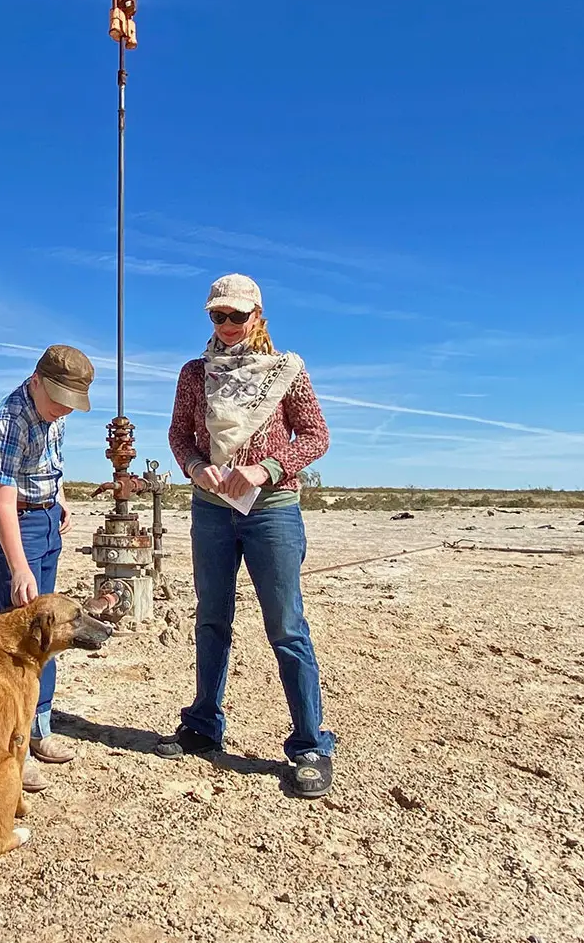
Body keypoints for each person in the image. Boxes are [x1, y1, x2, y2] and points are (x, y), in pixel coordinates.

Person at [154, 274, 336, 797]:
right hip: (211, 510)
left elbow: (316, 435)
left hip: (271, 509)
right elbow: (178, 434)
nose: (228, 325)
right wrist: (193, 466)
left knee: (286, 626)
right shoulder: (195, 373)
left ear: (257, 315)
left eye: (237, 315)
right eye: (218, 316)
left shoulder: (287, 371)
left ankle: (310, 746)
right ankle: (203, 726)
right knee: (211, 619)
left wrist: (267, 469)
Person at [0, 343, 95, 794]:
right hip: (19, 526)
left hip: (46, 517)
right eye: (58, 400)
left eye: (70, 403)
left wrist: (60, 500)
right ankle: (12, 747)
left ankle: (39, 728)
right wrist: (19, 569)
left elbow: (54, 464)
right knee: (17, 641)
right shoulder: (6, 423)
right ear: (36, 381)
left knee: (49, 636)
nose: (62, 411)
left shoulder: (55, 414)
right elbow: (2, 503)